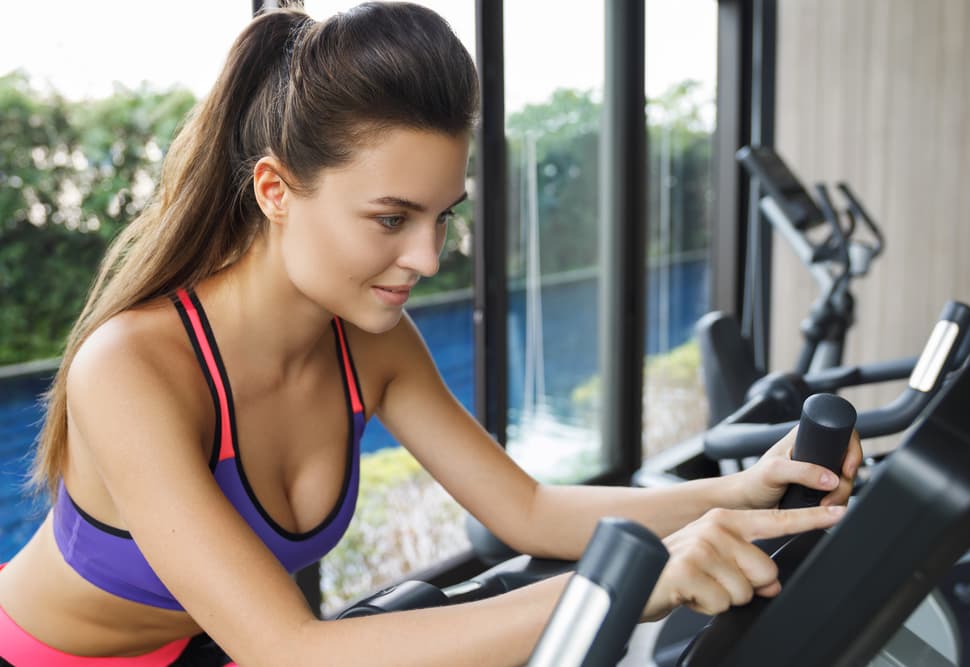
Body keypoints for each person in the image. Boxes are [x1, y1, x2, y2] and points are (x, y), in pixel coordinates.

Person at [0, 3, 861, 665]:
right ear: (274, 190)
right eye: (390, 217)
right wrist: (636, 583)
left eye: (442, 216)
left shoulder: (368, 339)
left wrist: (739, 491)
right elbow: (294, 649)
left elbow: (528, 509)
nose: (428, 255)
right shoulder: (134, 365)